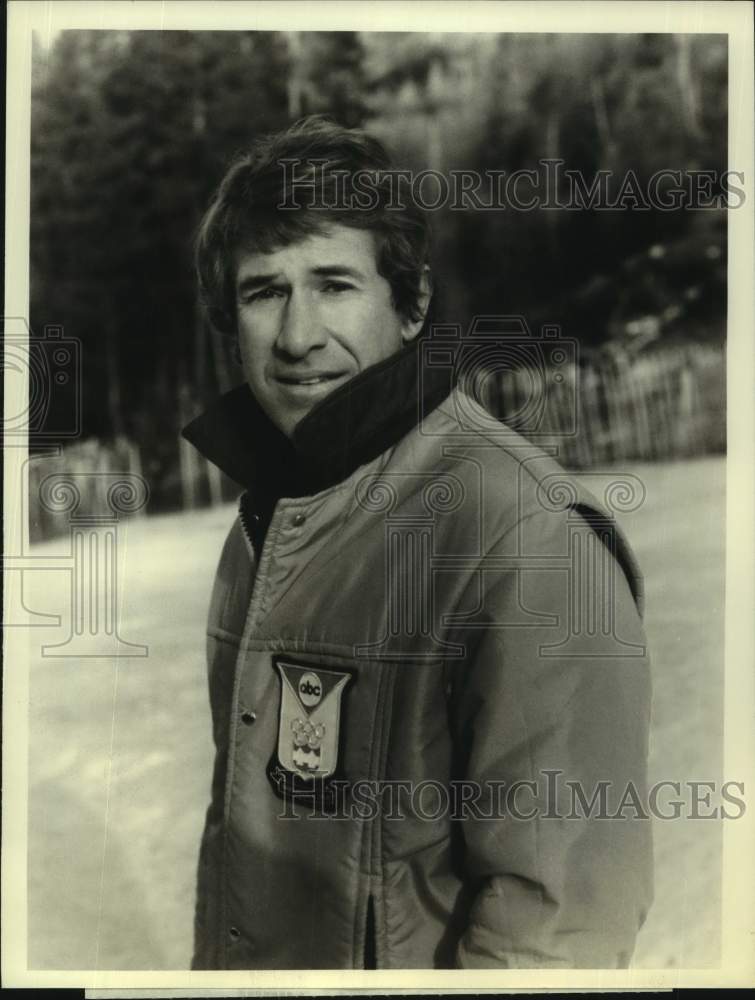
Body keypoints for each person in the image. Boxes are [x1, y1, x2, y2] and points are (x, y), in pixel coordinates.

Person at [182, 115, 653, 970]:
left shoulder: (524, 537)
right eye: (263, 291)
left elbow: (557, 929)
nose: (296, 336)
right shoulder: (269, 513)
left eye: (334, 284)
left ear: (413, 305)